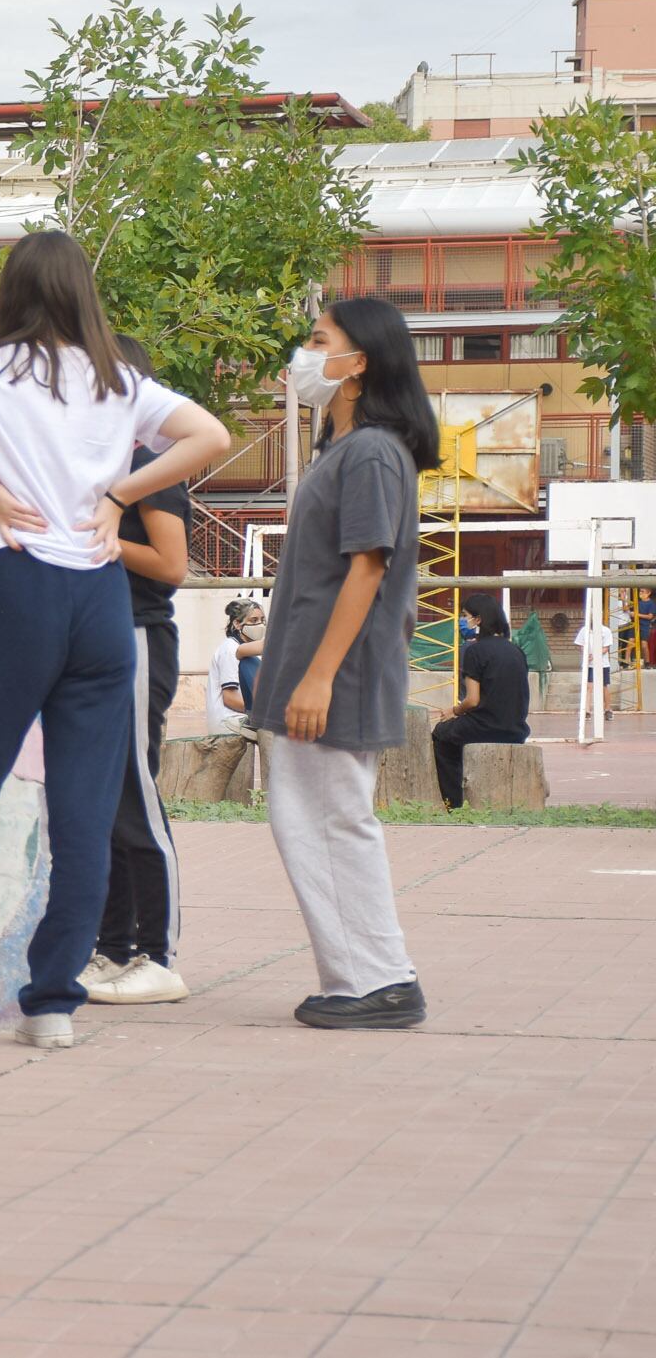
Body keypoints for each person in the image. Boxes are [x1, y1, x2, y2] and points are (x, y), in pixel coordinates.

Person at [0, 230, 229, 1051]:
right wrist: (119, 494)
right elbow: (212, 437)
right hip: (99, 597)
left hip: (15, 583)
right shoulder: (119, 380)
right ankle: (52, 1002)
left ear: (12, 293)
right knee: (83, 817)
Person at [252, 296, 440, 1031]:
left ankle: (380, 977)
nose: (303, 353)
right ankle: (359, 974)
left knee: (332, 821)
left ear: (357, 363)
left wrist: (321, 674)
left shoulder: (370, 453)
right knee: (313, 820)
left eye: (318, 339)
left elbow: (368, 568)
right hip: (314, 667)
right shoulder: (345, 451)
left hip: (337, 674)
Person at [84, 335, 192, 1007]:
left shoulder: (151, 457)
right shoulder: (96, 457)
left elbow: (172, 566)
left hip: (137, 637)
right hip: (94, 639)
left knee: (134, 800)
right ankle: (113, 945)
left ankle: (159, 952)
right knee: (98, 802)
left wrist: (99, 534)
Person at [433, 593, 530, 808]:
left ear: (478, 620)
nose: (463, 621)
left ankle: (453, 804)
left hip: (485, 726)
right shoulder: (516, 651)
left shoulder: (474, 651)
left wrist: (453, 711)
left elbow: (473, 700)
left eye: (466, 616)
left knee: (441, 735)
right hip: (516, 728)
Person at [205, 600, 266, 735]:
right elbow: (230, 698)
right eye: (253, 620)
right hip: (228, 722)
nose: (260, 624)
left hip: (241, 719)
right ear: (237, 624)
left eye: (262, 620)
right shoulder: (230, 649)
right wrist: (260, 714)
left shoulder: (250, 651)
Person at [577, 610, 619, 715]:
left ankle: (607, 709)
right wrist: (586, 654)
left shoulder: (606, 631)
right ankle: (586, 710)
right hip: (589, 664)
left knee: (604, 686)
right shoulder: (584, 630)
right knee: (588, 686)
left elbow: (606, 648)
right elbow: (581, 645)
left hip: (602, 664)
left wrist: (595, 655)